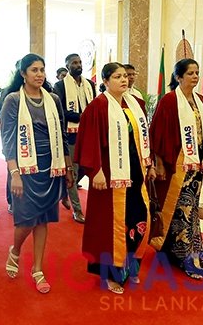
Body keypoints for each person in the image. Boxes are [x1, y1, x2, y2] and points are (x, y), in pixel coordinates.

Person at [76, 62, 155, 294]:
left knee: (137, 216)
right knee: (109, 225)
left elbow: (143, 139)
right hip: (110, 176)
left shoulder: (135, 105)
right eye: (117, 76)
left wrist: (149, 163)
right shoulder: (98, 107)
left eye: (125, 76)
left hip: (135, 172)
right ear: (105, 81)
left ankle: (131, 266)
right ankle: (111, 275)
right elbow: (89, 141)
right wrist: (96, 171)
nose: (123, 80)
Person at [1, 53, 74, 294]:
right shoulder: (13, 100)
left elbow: (62, 135)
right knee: (26, 220)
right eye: (34, 70)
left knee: (43, 219)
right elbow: (8, 139)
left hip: (51, 167)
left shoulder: (53, 99)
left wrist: (67, 167)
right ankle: (15, 250)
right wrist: (14, 173)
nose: (39, 74)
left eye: (42, 69)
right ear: (23, 73)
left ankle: (38, 268)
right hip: (25, 168)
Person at [149, 58, 203, 280]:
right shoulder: (169, 100)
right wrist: (159, 163)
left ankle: (186, 248)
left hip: (196, 165)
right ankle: (181, 253)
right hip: (176, 165)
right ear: (178, 77)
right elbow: (157, 132)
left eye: (196, 73)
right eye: (190, 73)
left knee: (190, 209)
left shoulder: (200, 100)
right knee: (178, 209)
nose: (195, 77)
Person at [53, 53, 96, 223]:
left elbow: (94, 105)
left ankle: (65, 191)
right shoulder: (60, 86)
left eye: (79, 62)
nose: (78, 65)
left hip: (88, 133)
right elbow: (60, 111)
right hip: (70, 134)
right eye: (74, 63)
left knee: (86, 168)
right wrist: (80, 117)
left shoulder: (89, 84)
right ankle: (77, 210)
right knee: (73, 170)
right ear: (67, 66)